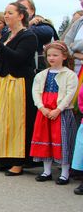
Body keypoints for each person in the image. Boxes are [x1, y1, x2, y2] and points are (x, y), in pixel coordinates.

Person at [0, 1, 38, 176]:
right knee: (2, 121)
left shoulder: (28, 36)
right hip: (3, 82)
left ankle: (18, 162)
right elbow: (0, 59)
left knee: (17, 122)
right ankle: (4, 158)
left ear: (21, 16)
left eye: (10, 12)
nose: (6, 15)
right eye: (5, 12)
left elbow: (17, 58)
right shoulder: (7, 35)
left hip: (19, 83)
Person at [30, 41, 77, 184]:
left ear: (64, 56)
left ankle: (64, 173)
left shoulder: (69, 75)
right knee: (45, 140)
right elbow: (36, 92)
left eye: (55, 55)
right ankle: (47, 171)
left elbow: (70, 94)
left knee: (62, 141)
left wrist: (58, 109)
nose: (51, 58)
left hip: (60, 112)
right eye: (49, 55)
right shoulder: (42, 74)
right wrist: (41, 107)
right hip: (44, 111)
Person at [18, 0, 59, 70]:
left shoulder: (40, 24)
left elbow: (47, 33)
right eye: (18, 10)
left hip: (36, 69)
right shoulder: (9, 29)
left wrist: (26, 26)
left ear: (32, 11)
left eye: (24, 9)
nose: (21, 12)